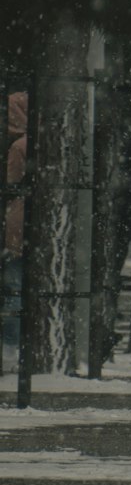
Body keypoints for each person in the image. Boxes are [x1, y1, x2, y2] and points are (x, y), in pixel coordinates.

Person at [2, 92, 27, 351]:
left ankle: (11, 343)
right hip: (27, 225)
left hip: (18, 222)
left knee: (13, 285)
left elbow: (11, 181)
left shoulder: (19, 146)